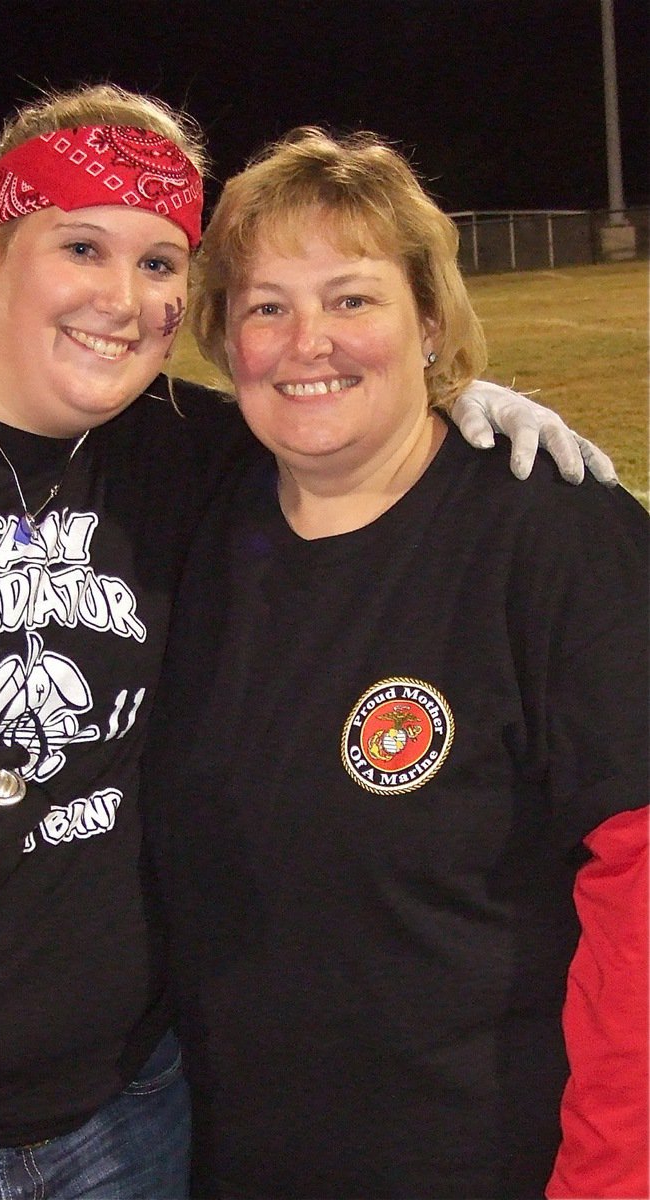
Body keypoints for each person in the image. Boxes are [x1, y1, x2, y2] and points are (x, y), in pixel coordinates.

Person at [0, 84, 612, 1200]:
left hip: (126, 1120)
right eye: (81, 245)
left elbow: (331, 401)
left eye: (159, 262)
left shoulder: (181, 457)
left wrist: (470, 405)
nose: (122, 299)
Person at [142, 129, 648, 1200]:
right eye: (264, 305)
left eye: (351, 299)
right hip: (224, 1160)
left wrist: (609, 1179)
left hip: (494, 1162)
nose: (303, 341)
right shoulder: (187, 513)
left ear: (428, 319)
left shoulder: (550, 535)